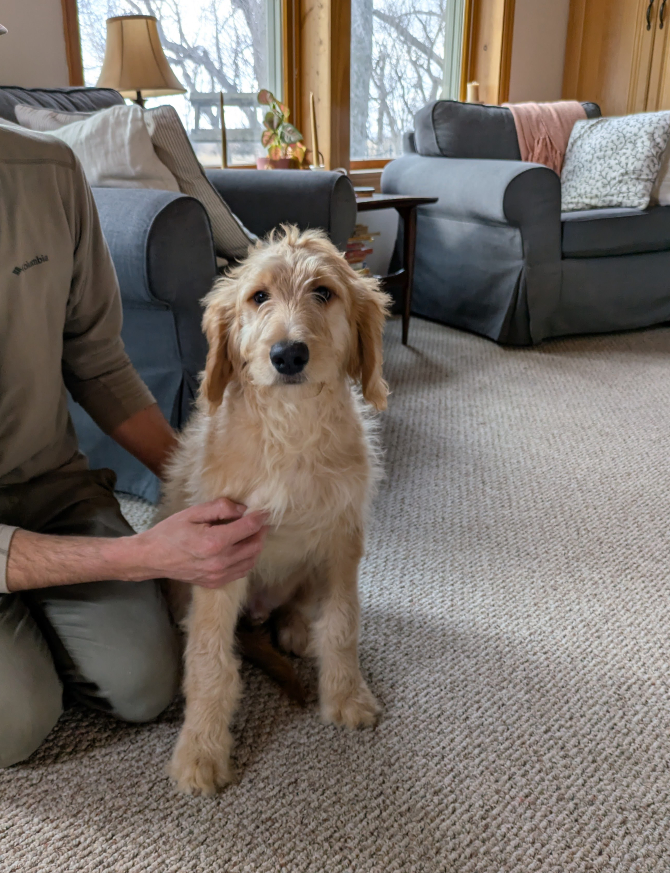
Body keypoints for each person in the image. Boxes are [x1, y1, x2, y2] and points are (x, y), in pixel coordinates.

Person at [0, 48, 268, 768]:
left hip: (45, 482)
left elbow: (98, 361)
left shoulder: (49, 172)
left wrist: (206, 488)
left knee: (148, 683)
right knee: (16, 721)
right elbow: (139, 555)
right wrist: (137, 553)